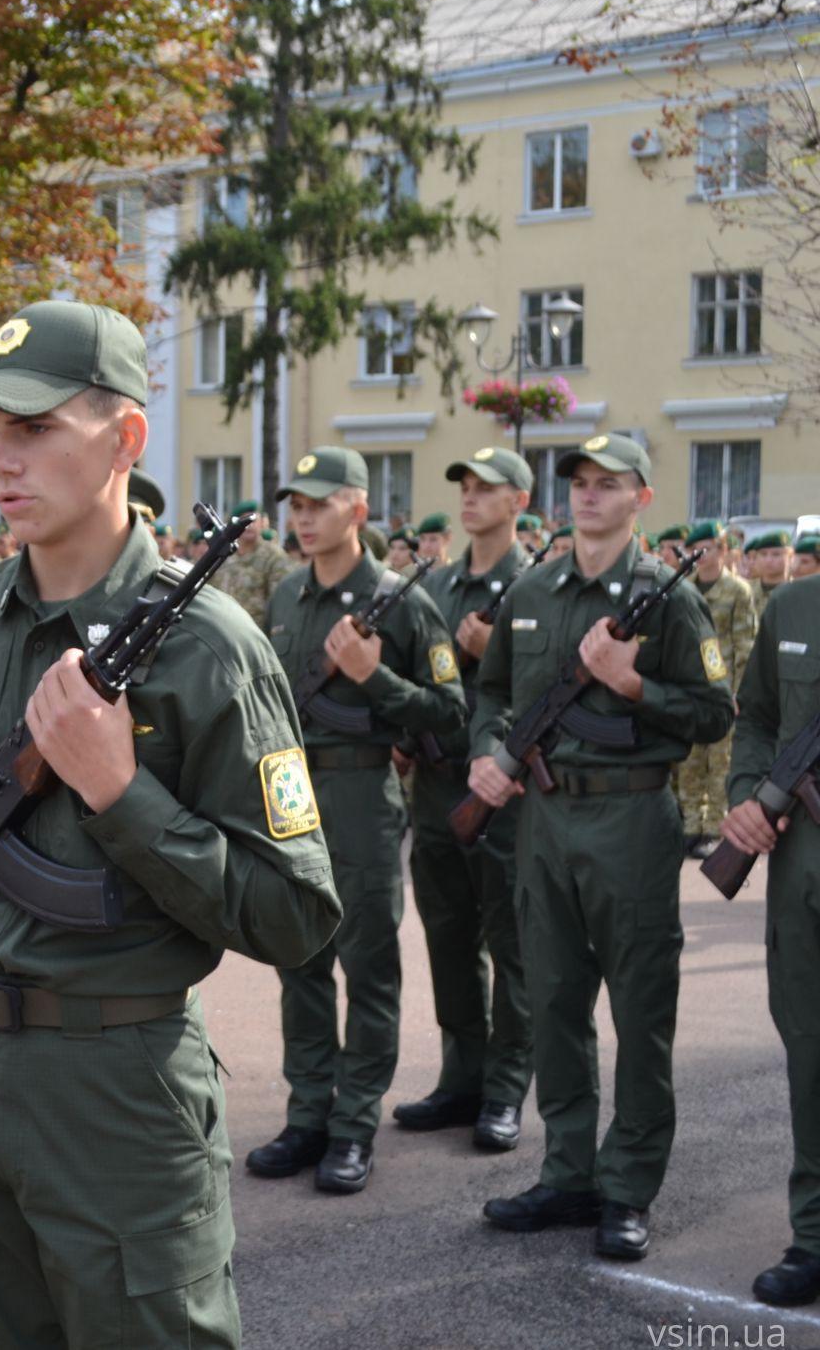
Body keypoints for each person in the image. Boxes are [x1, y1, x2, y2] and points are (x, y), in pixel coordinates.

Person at [0, 299, 341, 1348]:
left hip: (118, 1089)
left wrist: (122, 795)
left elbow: (295, 916)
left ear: (125, 440)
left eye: (33, 429)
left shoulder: (208, 648)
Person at [469, 433, 734, 1261]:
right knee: (552, 1001)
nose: (587, 495)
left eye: (607, 484)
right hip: (544, 819)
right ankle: (568, 1170)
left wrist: (631, 684)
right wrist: (486, 752)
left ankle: (627, 1187)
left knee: (639, 1009)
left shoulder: (668, 598)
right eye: (579, 482)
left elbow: (714, 712)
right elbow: (489, 690)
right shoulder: (533, 588)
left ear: (640, 499)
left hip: (630, 820)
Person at [249, 446, 465, 1195]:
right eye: (296, 505)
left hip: (362, 794)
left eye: (319, 502)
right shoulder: (284, 599)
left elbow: (450, 714)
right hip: (290, 797)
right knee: (298, 960)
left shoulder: (402, 602)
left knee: (368, 963)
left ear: (358, 509)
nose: (303, 517)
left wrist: (377, 677)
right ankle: (308, 1111)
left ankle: (353, 1124)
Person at [393, 446, 535, 1151]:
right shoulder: (439, 585)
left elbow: (548, 691)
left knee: (509, 939)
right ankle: (462, 1075)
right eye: (465, 486)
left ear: (519, 501)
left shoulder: (535, 586)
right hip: (436, 782)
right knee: (448, 935)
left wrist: (493, 645)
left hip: (501, 790)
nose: (471, 497)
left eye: (487, 488)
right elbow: (418, 674)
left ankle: (507, 1084)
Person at [719, 568, 820, 1307]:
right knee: (811, 1054)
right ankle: (815, 1236)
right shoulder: (792, 604)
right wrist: (750, 792)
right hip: (803, 870)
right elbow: (753, 715)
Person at [675, 521, 758, 857]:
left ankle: (713, 829)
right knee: (690, 761)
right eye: (695, 550)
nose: (701, 556)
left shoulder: (737, 590)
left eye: (707, 548)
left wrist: (739, 693)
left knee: (720, 762)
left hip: (722, 690)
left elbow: (745, 646)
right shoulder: (684, 589)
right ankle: (691, 826)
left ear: (723, 550)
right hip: (690, 688)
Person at [215, 499, 294, 625]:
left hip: (257, 634)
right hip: (224, 632)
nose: (248, 525)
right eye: (243, 520)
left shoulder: (274, 557)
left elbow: (281, 603)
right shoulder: (223, 556)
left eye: (253, 520)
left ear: (262, 523)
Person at [750, 529, 794, 601]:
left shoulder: (799, 591)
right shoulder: (745, 589)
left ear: (790, 557)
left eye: (776, 554)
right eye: (763, 554)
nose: (769, 560)